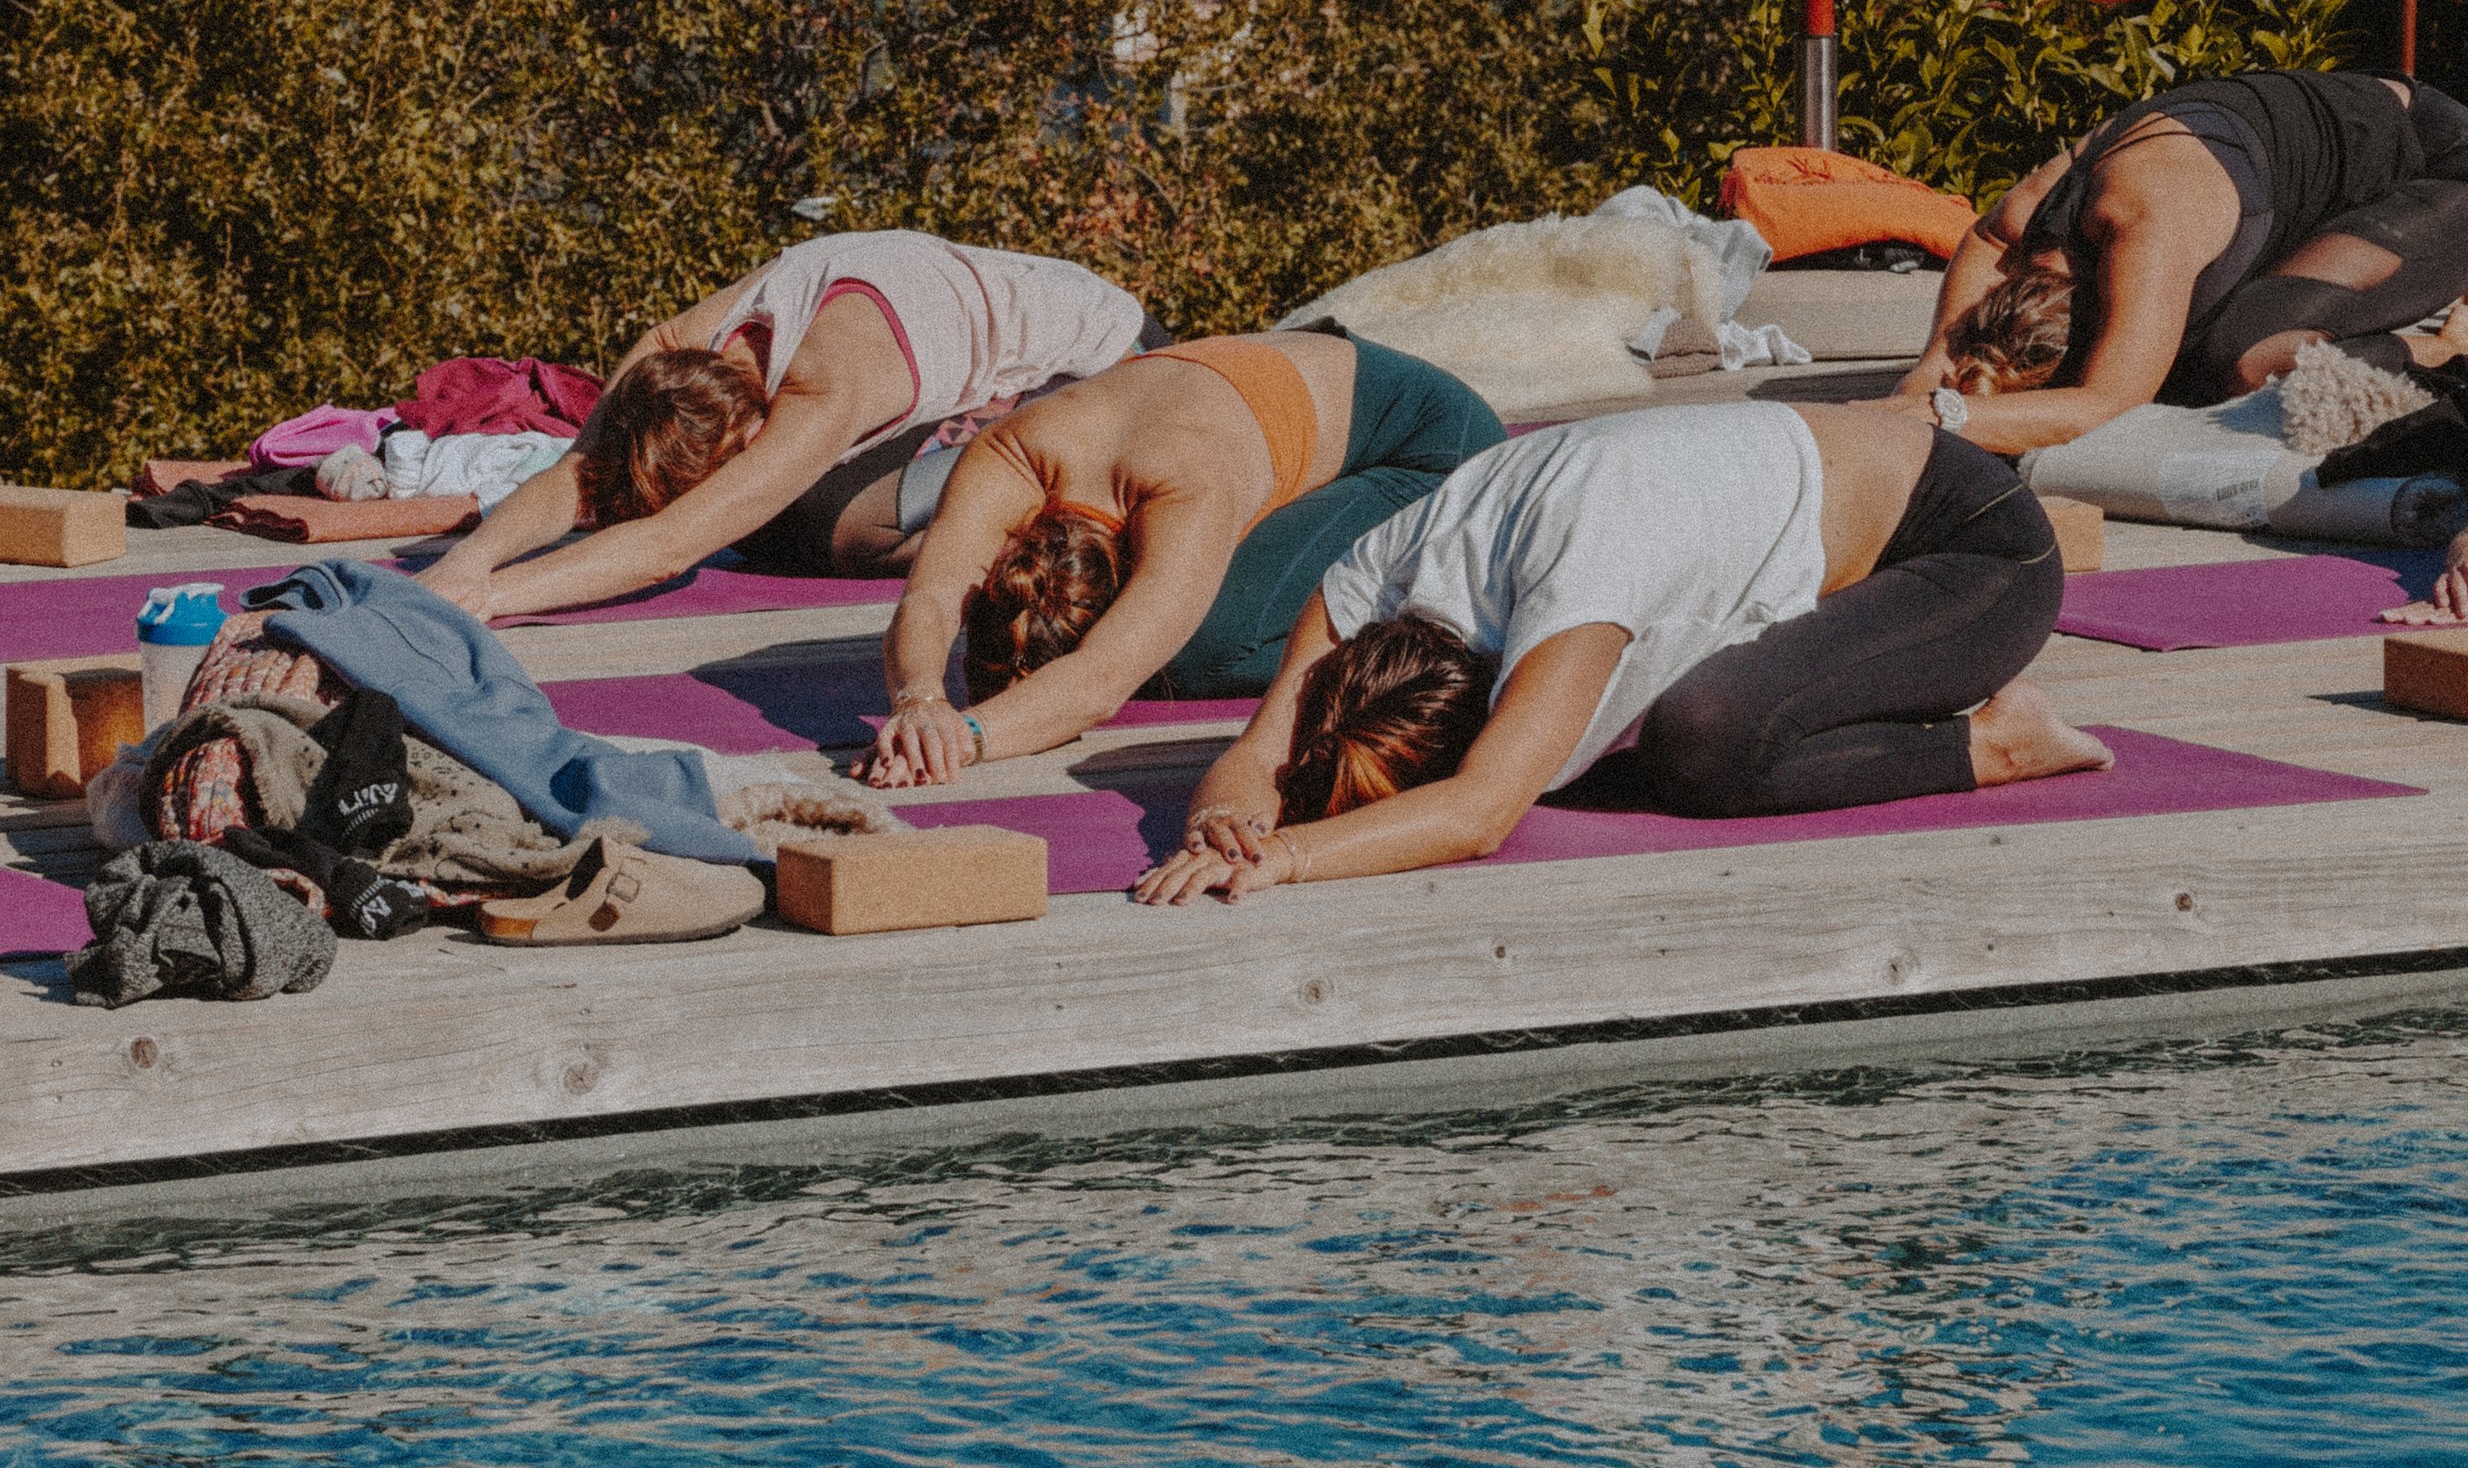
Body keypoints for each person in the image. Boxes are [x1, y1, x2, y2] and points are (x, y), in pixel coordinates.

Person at [1133, 396, 2107, 903]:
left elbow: (1478, 813)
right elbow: (1262, 749)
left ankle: (1998, 741)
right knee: (1613, 760)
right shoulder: (1374, 582)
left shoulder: (1573, 584)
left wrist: (1287, 859)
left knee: (1706, 740)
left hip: (1976, 556)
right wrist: (1219, 826)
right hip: (1847, 535)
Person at [865, 328, 1505, 786]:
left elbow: (1100, 682)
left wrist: (965, 739)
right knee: (1172, 626)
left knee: (1196, 651)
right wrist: (919, 701)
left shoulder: (1187, 486)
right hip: (1310, 393)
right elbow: (930, 597)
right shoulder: (1010, 453)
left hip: (1438, 451)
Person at [418, 231, 1149, 623]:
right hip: (960, 340)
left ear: (748, 437)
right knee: (778, 524)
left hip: (1116, 369)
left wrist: (493, 598)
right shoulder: (676, 348)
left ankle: (1038, 529)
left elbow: (669, 547)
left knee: (819, 528)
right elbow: (577, 470)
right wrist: (467, 564)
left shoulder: (827, 386)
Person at [1898, 70, 2468, 458]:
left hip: (2444, 173)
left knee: (2245, 362)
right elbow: (1982, 248)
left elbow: (2104, 406)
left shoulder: (2144, 228)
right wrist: (1921, 381)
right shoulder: (2028, 223)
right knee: (2188, 371)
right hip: (2315, 172)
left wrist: (1928, 420)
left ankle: (2461, 351)